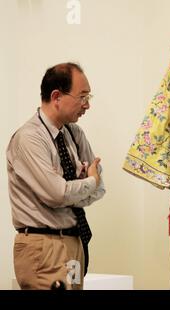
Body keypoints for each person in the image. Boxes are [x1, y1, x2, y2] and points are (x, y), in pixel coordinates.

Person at [6, 62, 105, 290]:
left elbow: (99, 189)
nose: (87, 105)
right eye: (82, 96)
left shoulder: (74, 133)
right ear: (57, 96)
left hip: (74, 242)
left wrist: (82, 186)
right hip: (43, 246)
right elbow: (57, 194)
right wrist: (87, 181)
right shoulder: (29, 138)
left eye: (89, 97)